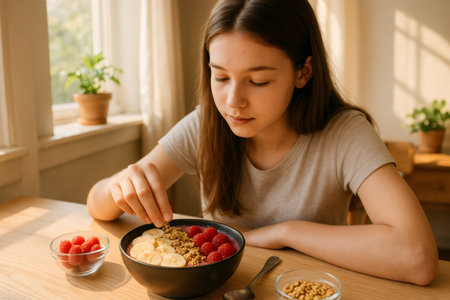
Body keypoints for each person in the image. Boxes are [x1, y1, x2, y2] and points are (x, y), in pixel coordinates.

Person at [87, 0, 438, 285]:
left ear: (304, 72)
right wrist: (120, 184)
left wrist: (286, 232)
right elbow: (97, 206)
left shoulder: (345, 132)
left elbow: (417, 257)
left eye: (258, 81)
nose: (233, 101)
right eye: (221, 76)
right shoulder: (206, 122)